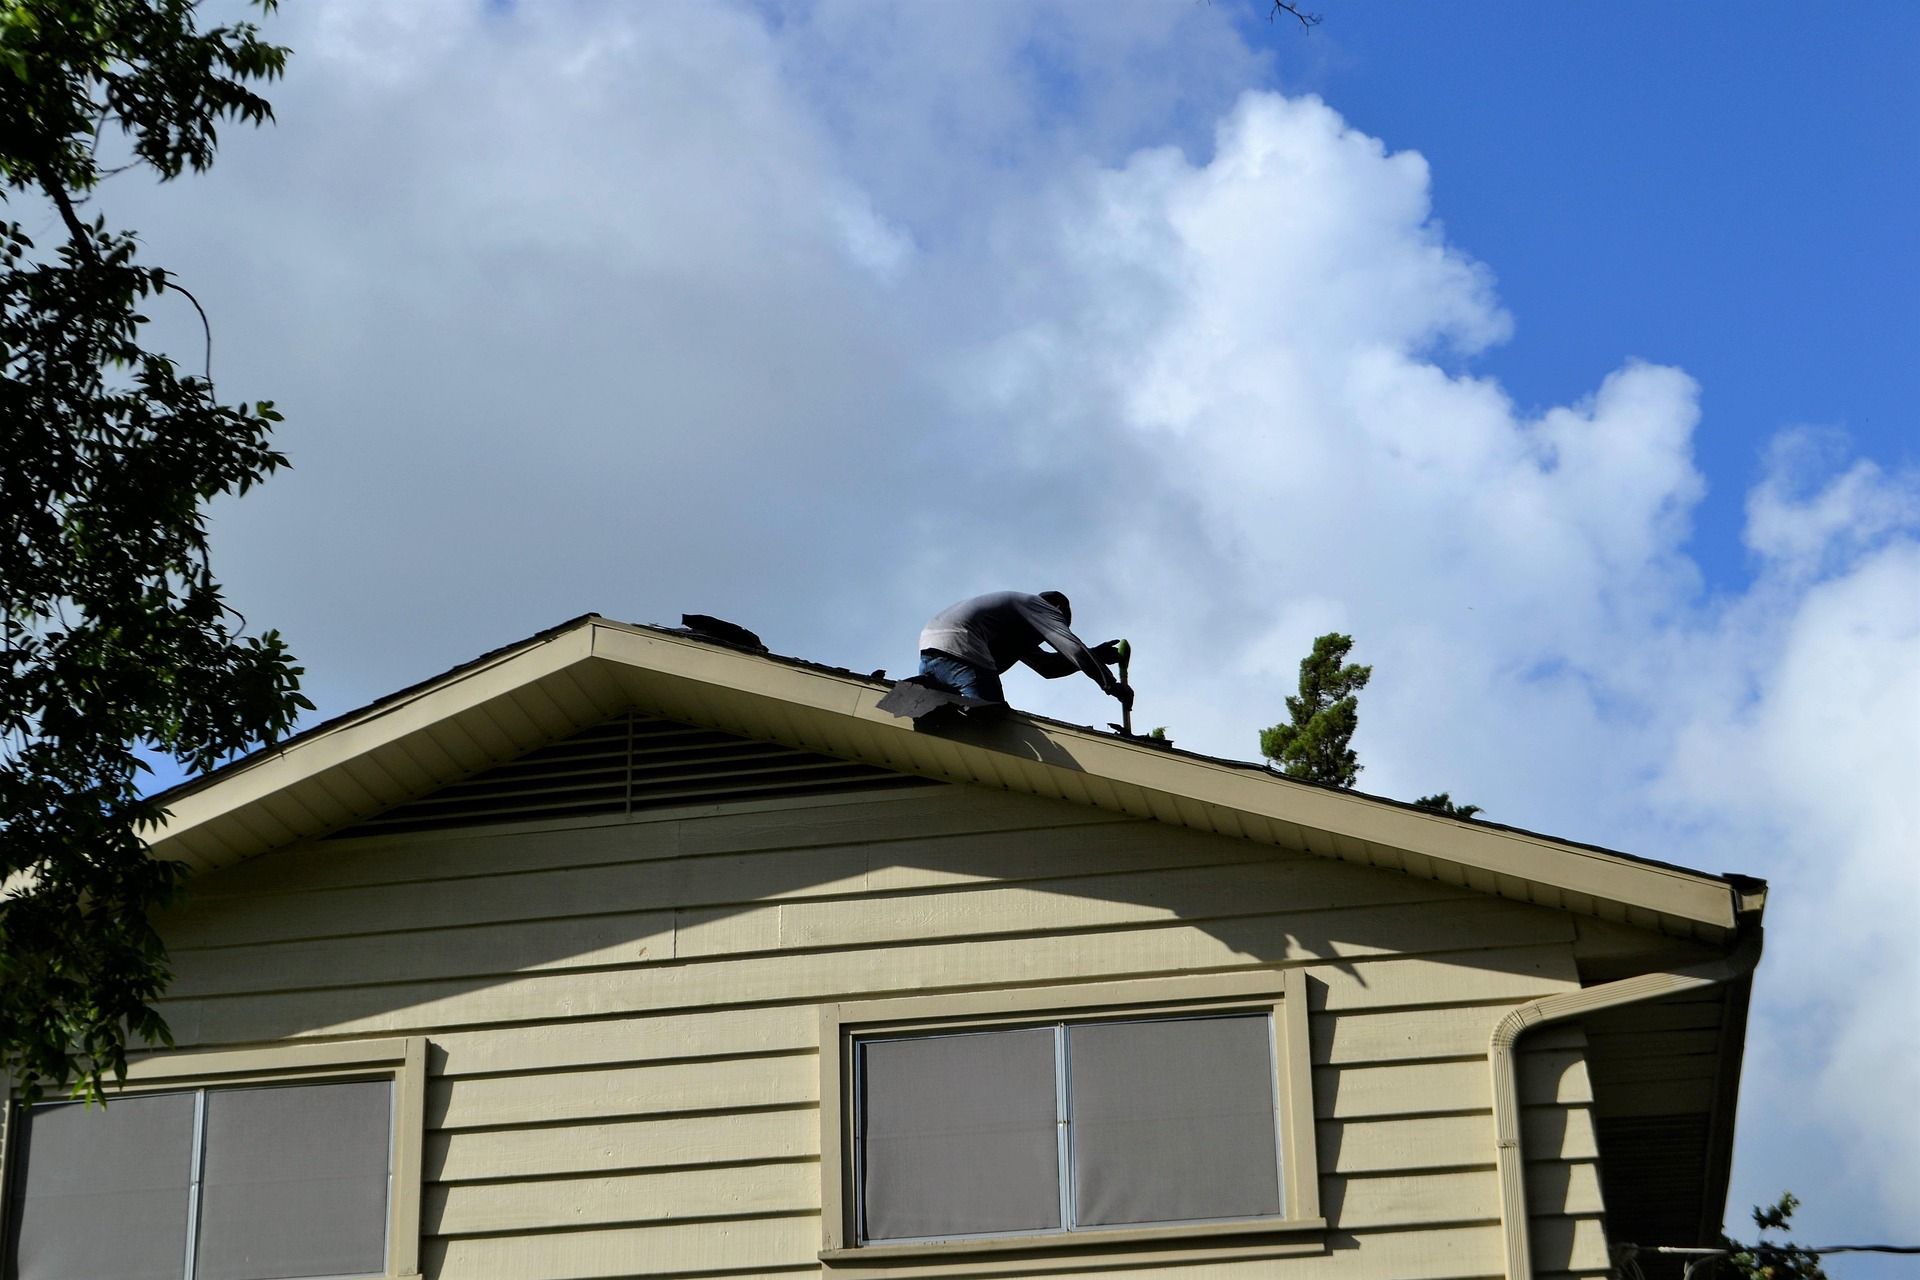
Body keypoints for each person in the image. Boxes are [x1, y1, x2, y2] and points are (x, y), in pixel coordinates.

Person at [917, 590, 1130, 710]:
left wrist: (1096, 654)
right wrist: (1110, 684)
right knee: (991, 718)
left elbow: (1047, 667)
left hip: (932, 652)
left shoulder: (1012, 624)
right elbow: (1074, 650)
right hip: (964, 649)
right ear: (1057, 609)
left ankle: (924, 691)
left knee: (938, 714)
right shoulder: (1041, 606)